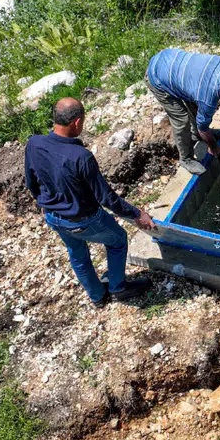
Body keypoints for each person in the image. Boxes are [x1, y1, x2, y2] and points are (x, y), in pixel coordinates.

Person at [24, 98, 157, 307]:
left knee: (77, 253)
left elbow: (31, 181)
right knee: (118, 239)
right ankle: (118, 288)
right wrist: (137, 214)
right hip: (83, 220)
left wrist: (44, 205)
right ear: (76, 123)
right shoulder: (81, 157)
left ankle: (96, 296)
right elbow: (106, 198)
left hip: (53, 217)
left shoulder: (34, 144)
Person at [146, 48, 220, 176]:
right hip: (157, 76)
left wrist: (205, 134)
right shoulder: (208, 97)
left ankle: (197, 135)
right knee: (181, 119)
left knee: (196, 104)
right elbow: (203, 127)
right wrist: (213, 146)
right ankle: (186, 159)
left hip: (170, 59)